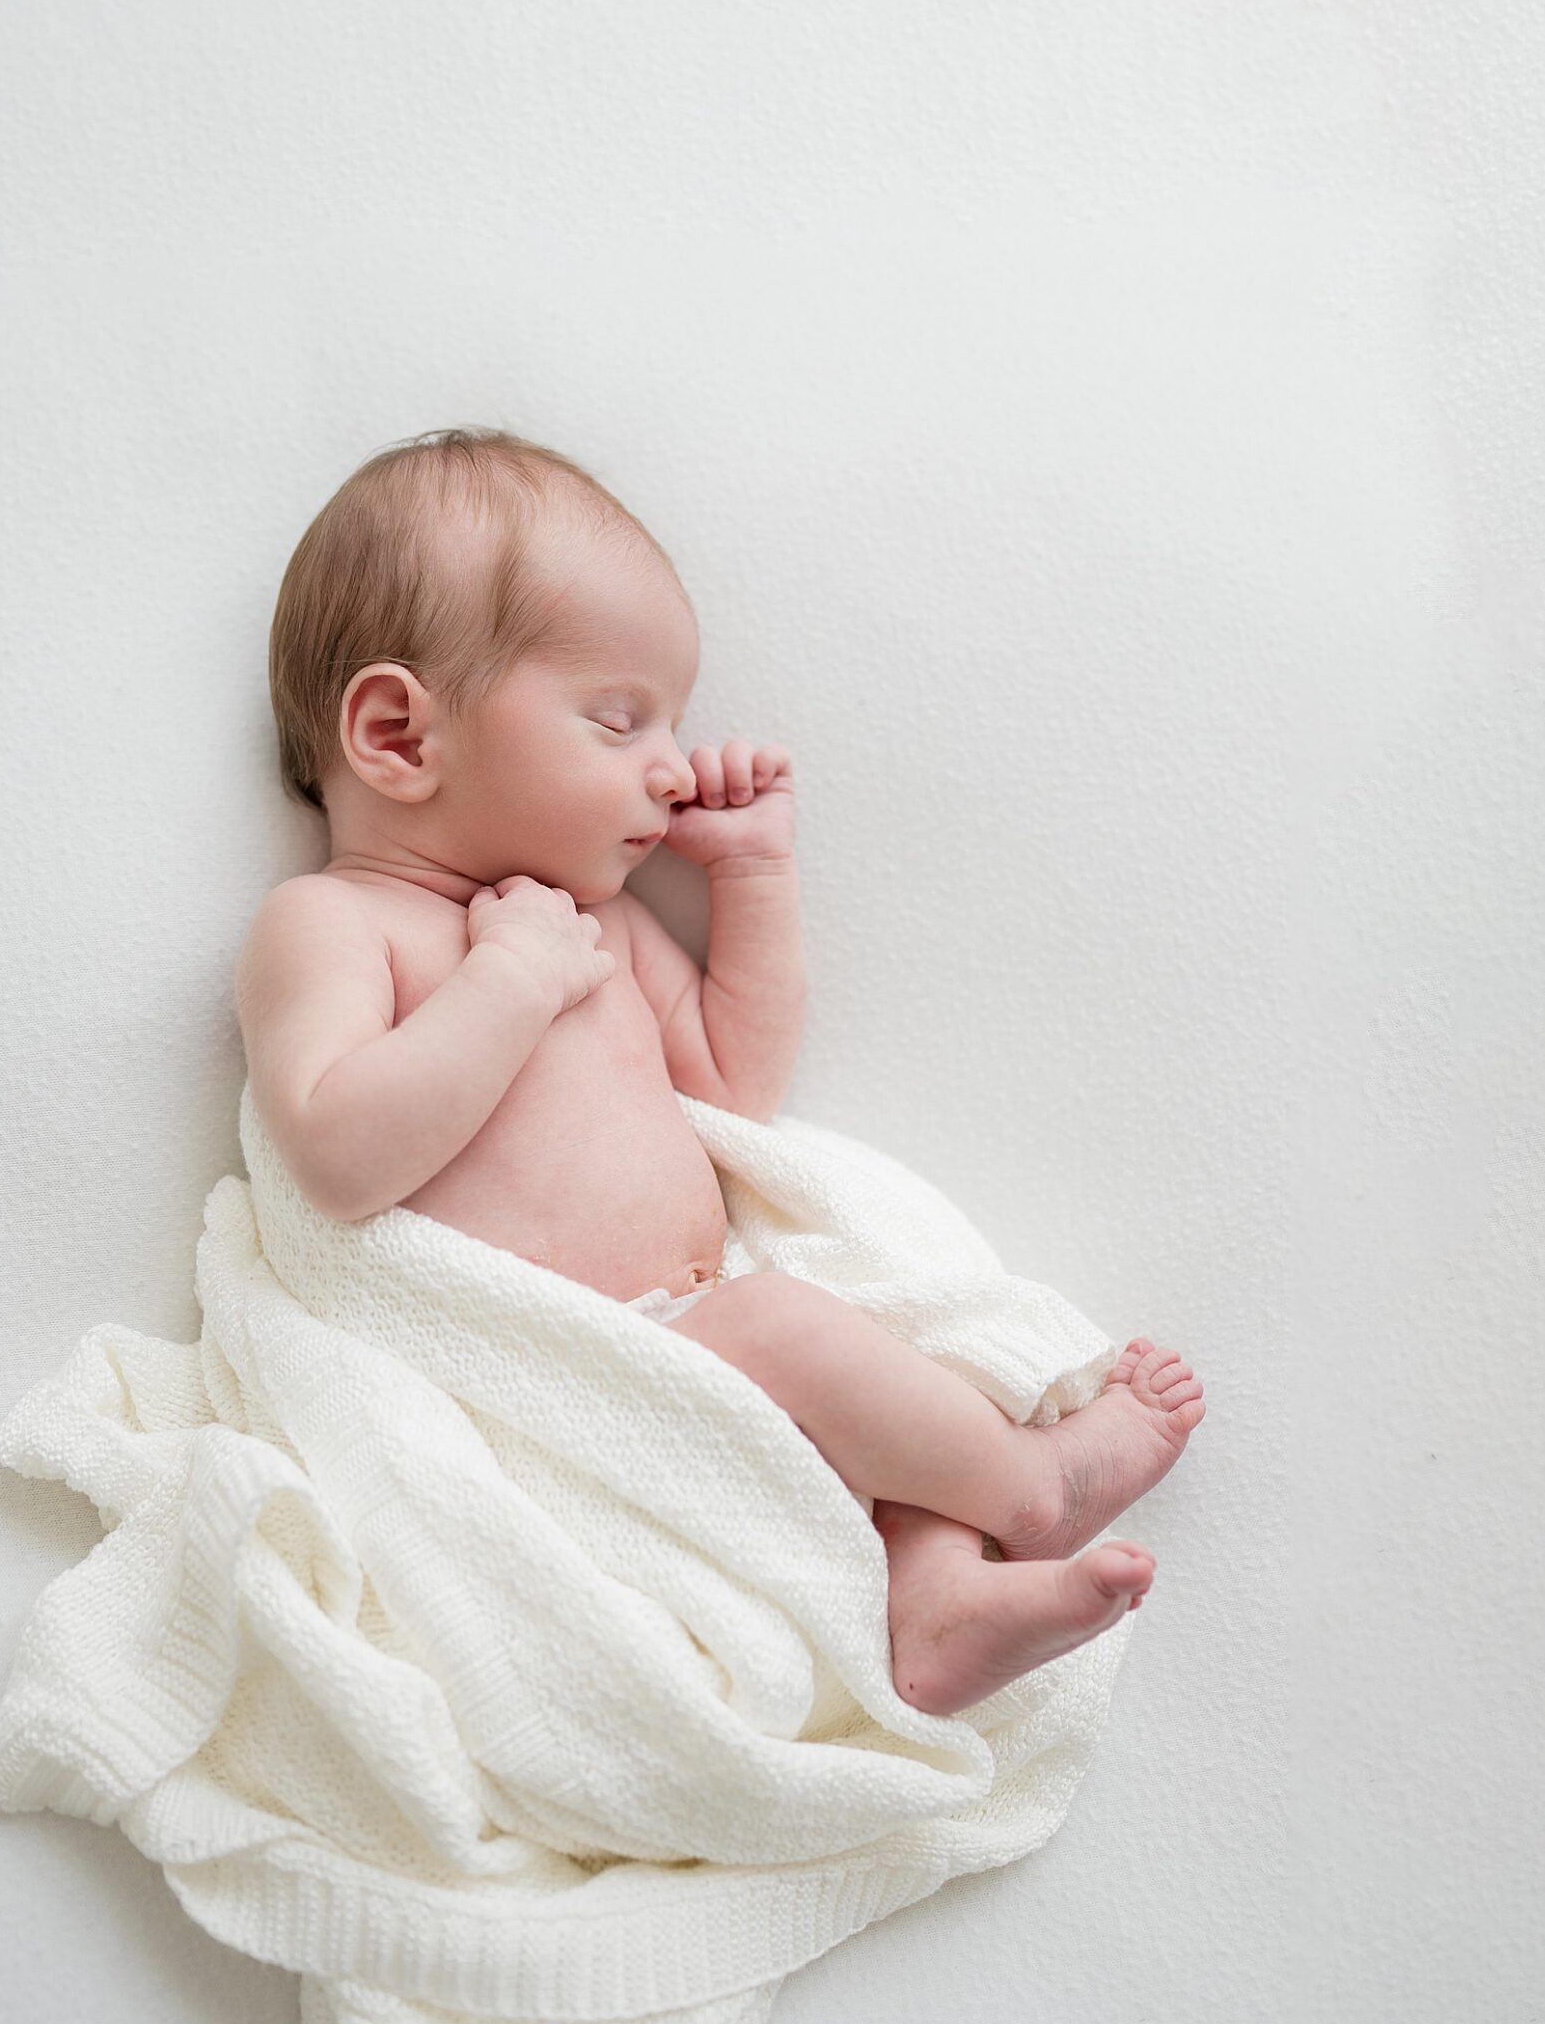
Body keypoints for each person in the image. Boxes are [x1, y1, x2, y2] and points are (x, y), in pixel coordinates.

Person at [236, 428, 1204, 1715]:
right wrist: (508, 983)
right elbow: (338, 1153)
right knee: (791, 1326)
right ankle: (1034, 1491)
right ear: (399, 734)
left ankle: (935, 1596)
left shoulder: (603, 921)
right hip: (569, 1388)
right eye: (617, 717)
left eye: (674, 723)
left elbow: (733, 1087)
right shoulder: (334, 925)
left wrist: (748, 877)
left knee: (870, 1342)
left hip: (709, 1341)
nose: (673, 765)